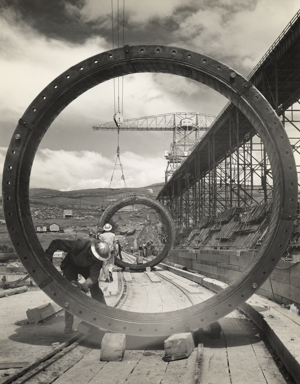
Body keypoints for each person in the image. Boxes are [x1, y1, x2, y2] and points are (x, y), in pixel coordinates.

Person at [44, 238, 110, 334]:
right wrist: (48, 258)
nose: (95, 260)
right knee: (70, 294)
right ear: (91, 251)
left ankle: (108, 322)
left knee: (97, 292)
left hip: (86, 268)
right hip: (71, 265)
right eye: (94, 257)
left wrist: (83, 286)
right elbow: (57, 243)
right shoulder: (79, 245)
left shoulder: (99, 259)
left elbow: (93, 277)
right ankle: (68, 327)